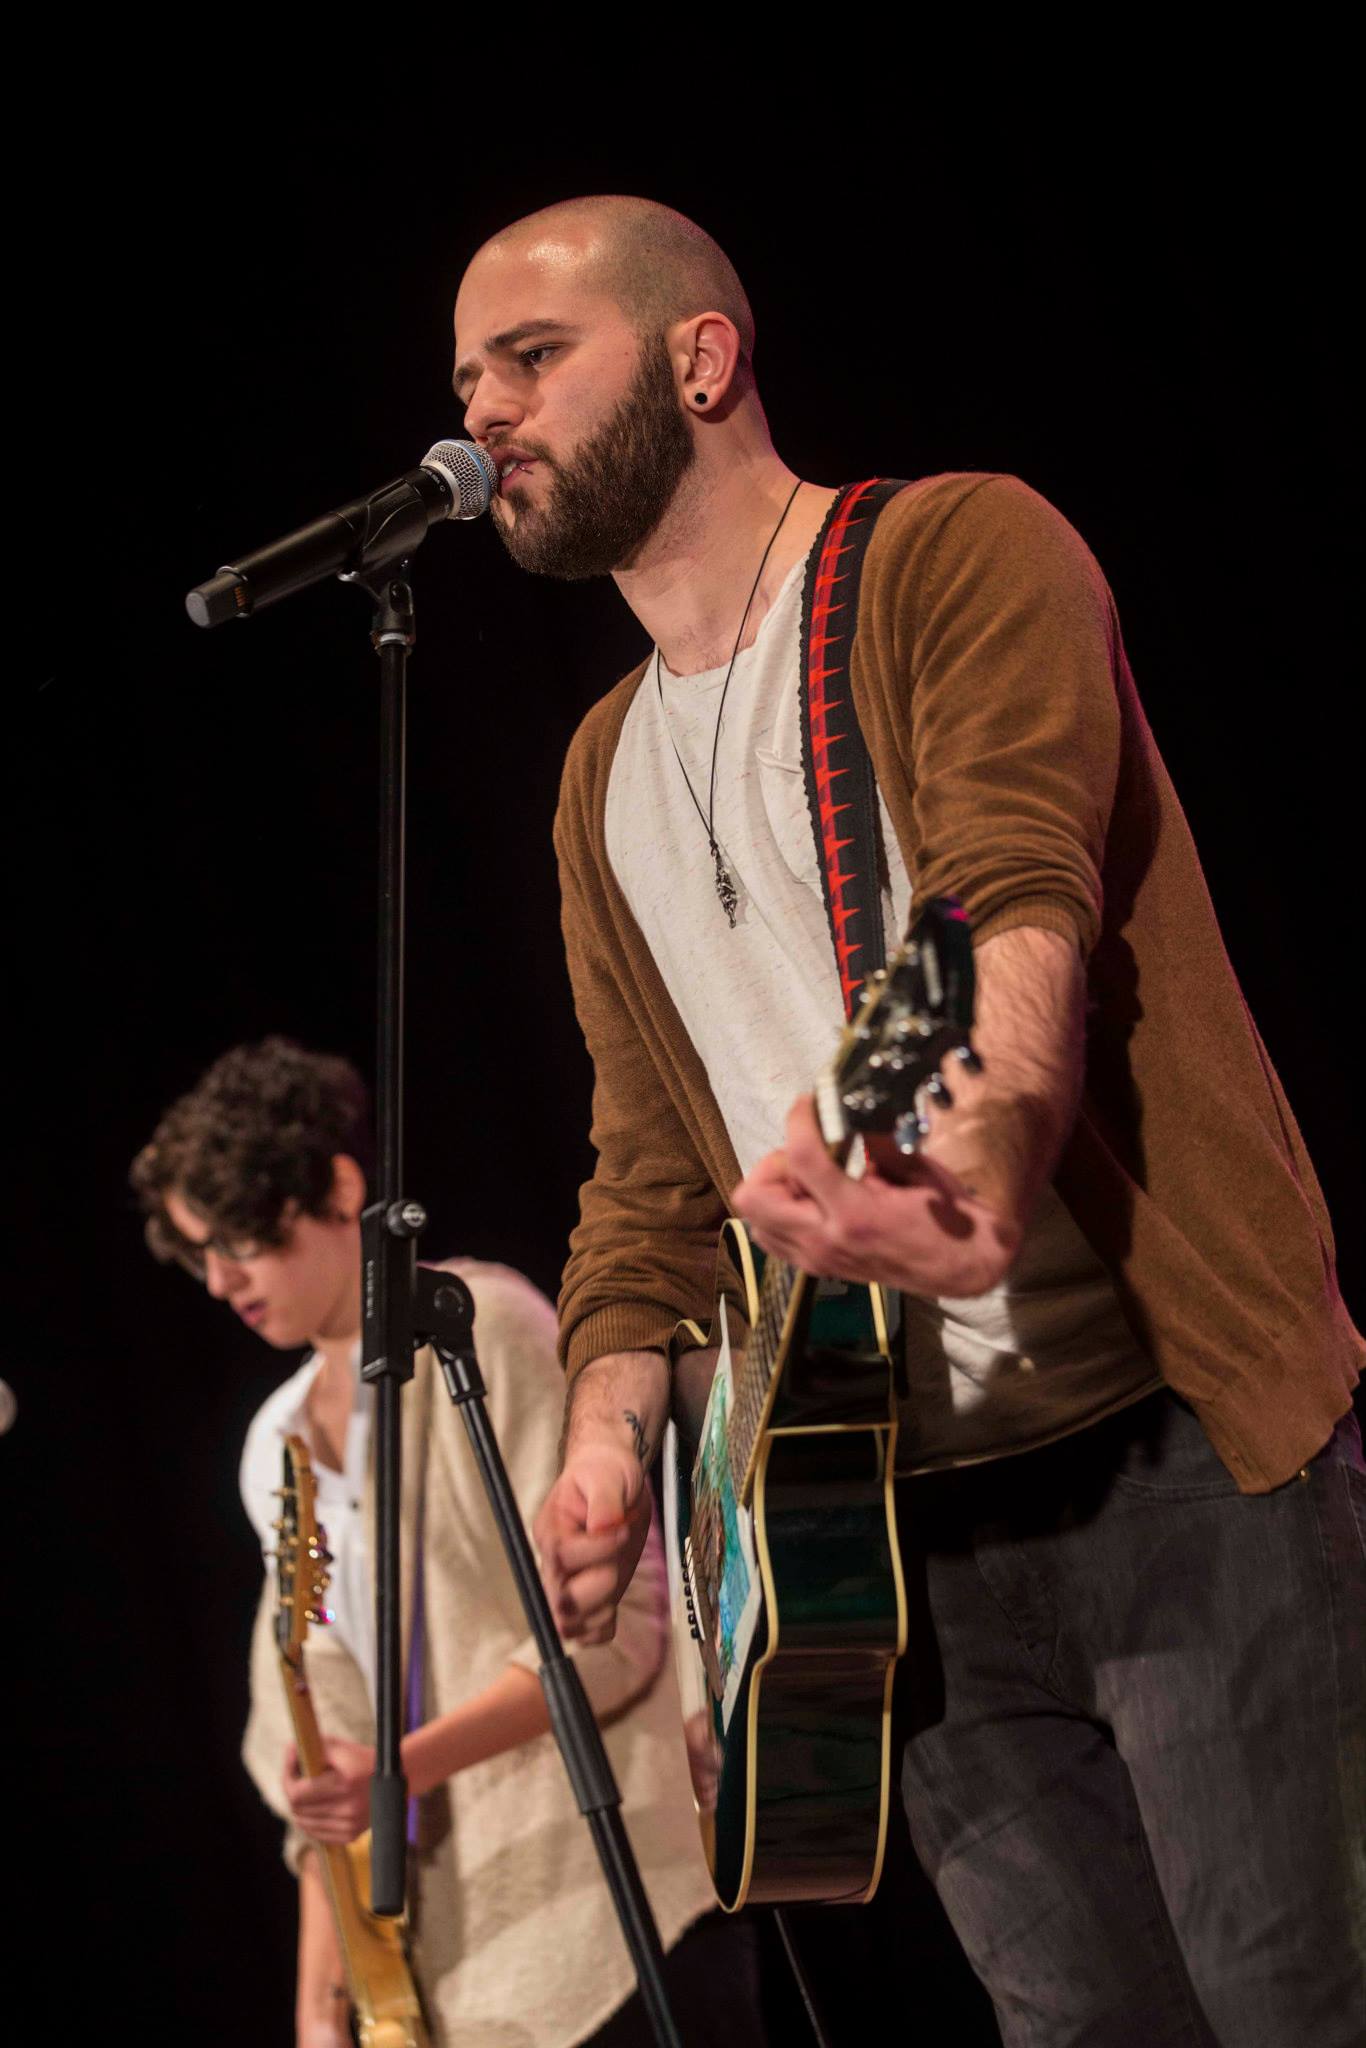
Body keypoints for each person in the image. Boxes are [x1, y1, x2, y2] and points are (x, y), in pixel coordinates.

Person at [446, 196, 1366, 2046]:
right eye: (466, 379)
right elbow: (648, 1176)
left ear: (702, 359)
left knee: (1297, 2001)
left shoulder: (949, 551)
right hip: (874, 1529)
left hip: (1175, 1453)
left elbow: (1001, 891)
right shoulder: (598, 771)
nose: (482, 417)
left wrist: (980, 1156)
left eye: (531, 359)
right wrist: (611, 1446)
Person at [130, 1036, 763, 2048]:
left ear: (337, 1188)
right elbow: (325, 1743)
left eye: (238, 1237)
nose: (217, 1279)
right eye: (197, 1253)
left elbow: (617, 1633)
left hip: (614, 1914)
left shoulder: (479, 1327)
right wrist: (320, 2006)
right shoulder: (276, 1450)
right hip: (470, 1979)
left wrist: (397, 1767)